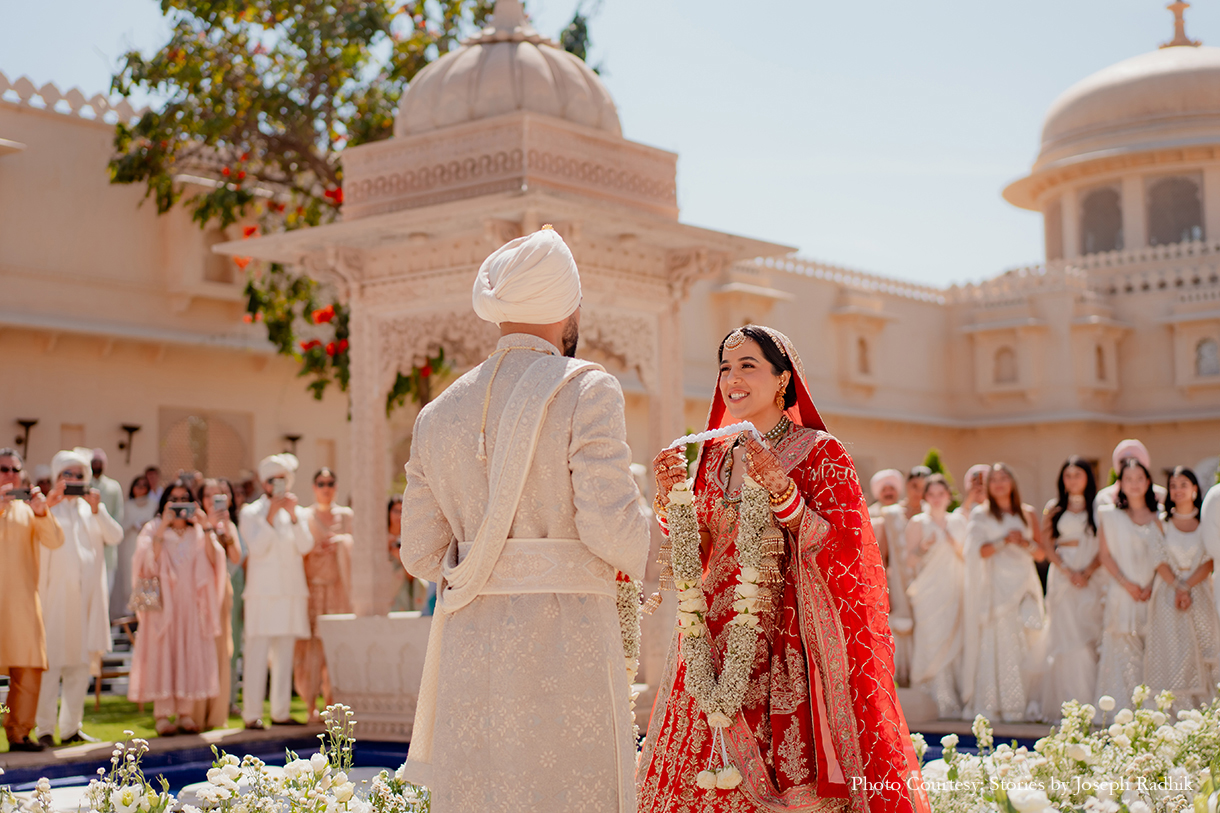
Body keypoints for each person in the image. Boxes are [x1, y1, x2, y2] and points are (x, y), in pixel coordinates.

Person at [400, 226, 650, 811]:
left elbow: (419, 554)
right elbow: (611, 526)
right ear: (568, 305)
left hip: (469, 639)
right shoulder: (586, 387)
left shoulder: (437, 414)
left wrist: (492, 562)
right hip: (568, 638)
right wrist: (691, 557)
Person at [639, 325, 928, 813]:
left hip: (785, 643)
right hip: (709, 639)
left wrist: (784, 494)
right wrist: (673, 505)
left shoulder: (820, 451)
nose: (732, 379)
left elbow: (845, 549)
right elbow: (704, 544)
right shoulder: (713, 456)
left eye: (748, 366)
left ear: (782, 379)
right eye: (725, 368)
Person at [127, 479, 226, 736]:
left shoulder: (198, 532)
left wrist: (206, 527)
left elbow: (216, 562)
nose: (180, 505)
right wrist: (163, 528)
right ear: (165, 502)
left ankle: (184, 713)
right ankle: (161, 715)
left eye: (185, 499)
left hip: (192, 605)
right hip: (163, 605)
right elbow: (146, 566)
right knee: (164, 653)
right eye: (175, 499)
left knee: (189, 651)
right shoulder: (153, 529)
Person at [38, 449, 122, 746]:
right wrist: (48, 505)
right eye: (67, 475)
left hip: (87, 602)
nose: (73, 480)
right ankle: (44, 729)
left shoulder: (92, 511)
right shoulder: (47, 510)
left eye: (79, 475)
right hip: (55, 601)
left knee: (80, 666)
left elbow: (116, 536)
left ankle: (72, 727)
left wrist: (98, 509)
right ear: (57, 478)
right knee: (51, 668)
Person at [961, 463, 1045, 723]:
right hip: (997, 589)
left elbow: (1041, 554)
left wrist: (1023, 542)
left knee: (1030, 640)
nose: (998, 483)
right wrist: (1004, 540)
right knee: (1001, 642)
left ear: (1012, 482)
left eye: (1003, 478)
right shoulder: (981, 514)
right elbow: (977, 552)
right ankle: (1002, 705)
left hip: (1025, 585)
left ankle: (1028, 702)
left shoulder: (1027, 513)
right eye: (993, 479)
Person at [239, 453, 313, 729]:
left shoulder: (298, 511)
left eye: (282, 480)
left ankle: (281, 712)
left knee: (285, 653)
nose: (277, 486)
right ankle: (251, 714)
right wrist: (270, 517)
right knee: (257, 654)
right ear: (264, 483)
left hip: (290, 593)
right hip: (262, 595)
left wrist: (293, 516)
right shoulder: (250, 513)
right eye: (272, 481)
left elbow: (306, 546)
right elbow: (257, 549)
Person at [0, 448, 65, 751]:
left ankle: (19, 732)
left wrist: (42, 511)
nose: (10, 475)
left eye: (15, 469)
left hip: (23, 603)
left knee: (27, 669)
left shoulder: (29, 510)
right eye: (4, 469)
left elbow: (54, 541)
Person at [1144, 467, 1219, 710]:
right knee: (1174, 652)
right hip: (1168, 595)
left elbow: (1210, 560)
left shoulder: (1205, 522)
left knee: (1203, 649)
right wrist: (1178, 587)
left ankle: (1206, 712)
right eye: (1173, 485)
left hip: (1200, 594)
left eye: (1183, 484)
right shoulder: (1160, 524)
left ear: (1195, 489)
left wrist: (1187, 587)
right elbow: (1159, 560)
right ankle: (1173, 714)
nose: (1177, 490)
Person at [1039, 457, 1104, 720]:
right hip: (1063, 575)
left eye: (1078, 474)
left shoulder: (1098, 507)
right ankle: (1066, 704)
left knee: (1089, 633)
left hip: (1092, 574)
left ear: (1088, 477)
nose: (1073, 479)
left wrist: (1087, 571)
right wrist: (1068, 572)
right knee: (1066, 637)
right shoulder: (1053, 508)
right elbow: (1046, 544)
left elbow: (1105, 545)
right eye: (1068, 475)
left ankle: (1090, 701)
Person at [1096, 458, 1161, 709]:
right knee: (1121, 653)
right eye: (1128, 479)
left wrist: (1151, 585)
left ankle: (1150, 711)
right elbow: (1105, 555)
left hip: (1153, 594)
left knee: (1151, 653)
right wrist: (1128, 584)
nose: (1134, 484)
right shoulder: (1110, 516)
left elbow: (1164, 557)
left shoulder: (1161, 517)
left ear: (1147, 482)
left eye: (1139, 479)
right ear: (1120, 484)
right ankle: (1119, 712)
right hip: (1122, 594)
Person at [294, 468, 353, 724]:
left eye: (330, 483)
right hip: (313, 589)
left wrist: (340, 542)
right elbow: (298, 549)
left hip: (339, 589)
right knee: (311, 651)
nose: (326, 488)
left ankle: (334, 707)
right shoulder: (305, 516)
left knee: (336, 648)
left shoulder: (346, 516)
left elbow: (356, 544)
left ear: (336, 487)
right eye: (321, 483)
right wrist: (315, 549)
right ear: (313, 487)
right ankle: (310, 706)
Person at [905, 474, 966, 719]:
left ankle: (953, 699)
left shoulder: (959, 521)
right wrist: (923, 548)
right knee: (930, 639)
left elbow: (969, 557)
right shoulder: (918, 522)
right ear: (926, 497)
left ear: (949, 496)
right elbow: (909, 560)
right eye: (932, 494)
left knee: (955, 639)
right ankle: (930, 702)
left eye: (941, 494)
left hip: (955, 588)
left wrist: (954, 544)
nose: (937, 498)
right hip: (929, 592)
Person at [192, 478, 245, 730]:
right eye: (209, 495)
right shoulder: (193, 524)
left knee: (223, 649)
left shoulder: (229, 525)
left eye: (220, 495)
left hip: (222, 591)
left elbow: (236, 557)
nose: (213, 500)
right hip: (197, 592)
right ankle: (194, 713)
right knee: (198, 648)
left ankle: (217, 714)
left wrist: (223, 531)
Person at [878, 466, 929, 687]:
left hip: (929, 581)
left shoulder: (932, 514)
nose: (919, 492)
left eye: (924, 487)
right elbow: (882, 554)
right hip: (899, 581)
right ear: (906, 487)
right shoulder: (890, 515)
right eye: (914, 486)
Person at [112, 475, 158, 621]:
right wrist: (133, 524)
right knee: (129, 581)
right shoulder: (127, 506)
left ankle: (145, 613)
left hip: (148, 549)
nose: (141, 488)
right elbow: (119, 528)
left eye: (144, 485)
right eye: (138, 485)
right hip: (130, 548)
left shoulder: (153, 504)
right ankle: (129, 613)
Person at [91, 450, 125, 603]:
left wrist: (108, 534)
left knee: (105, 597)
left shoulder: (113, 486)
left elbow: (118, 516)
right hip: (89, 547)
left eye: (99, 462)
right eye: (94, 461)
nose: (97, 465)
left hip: (108, 552)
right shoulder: (85, 486)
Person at [1096, 439, 1167, 509]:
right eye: (1123, 462)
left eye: (1134, 461)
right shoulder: (1104, 498)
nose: (1129, 466)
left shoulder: (1161, 495)